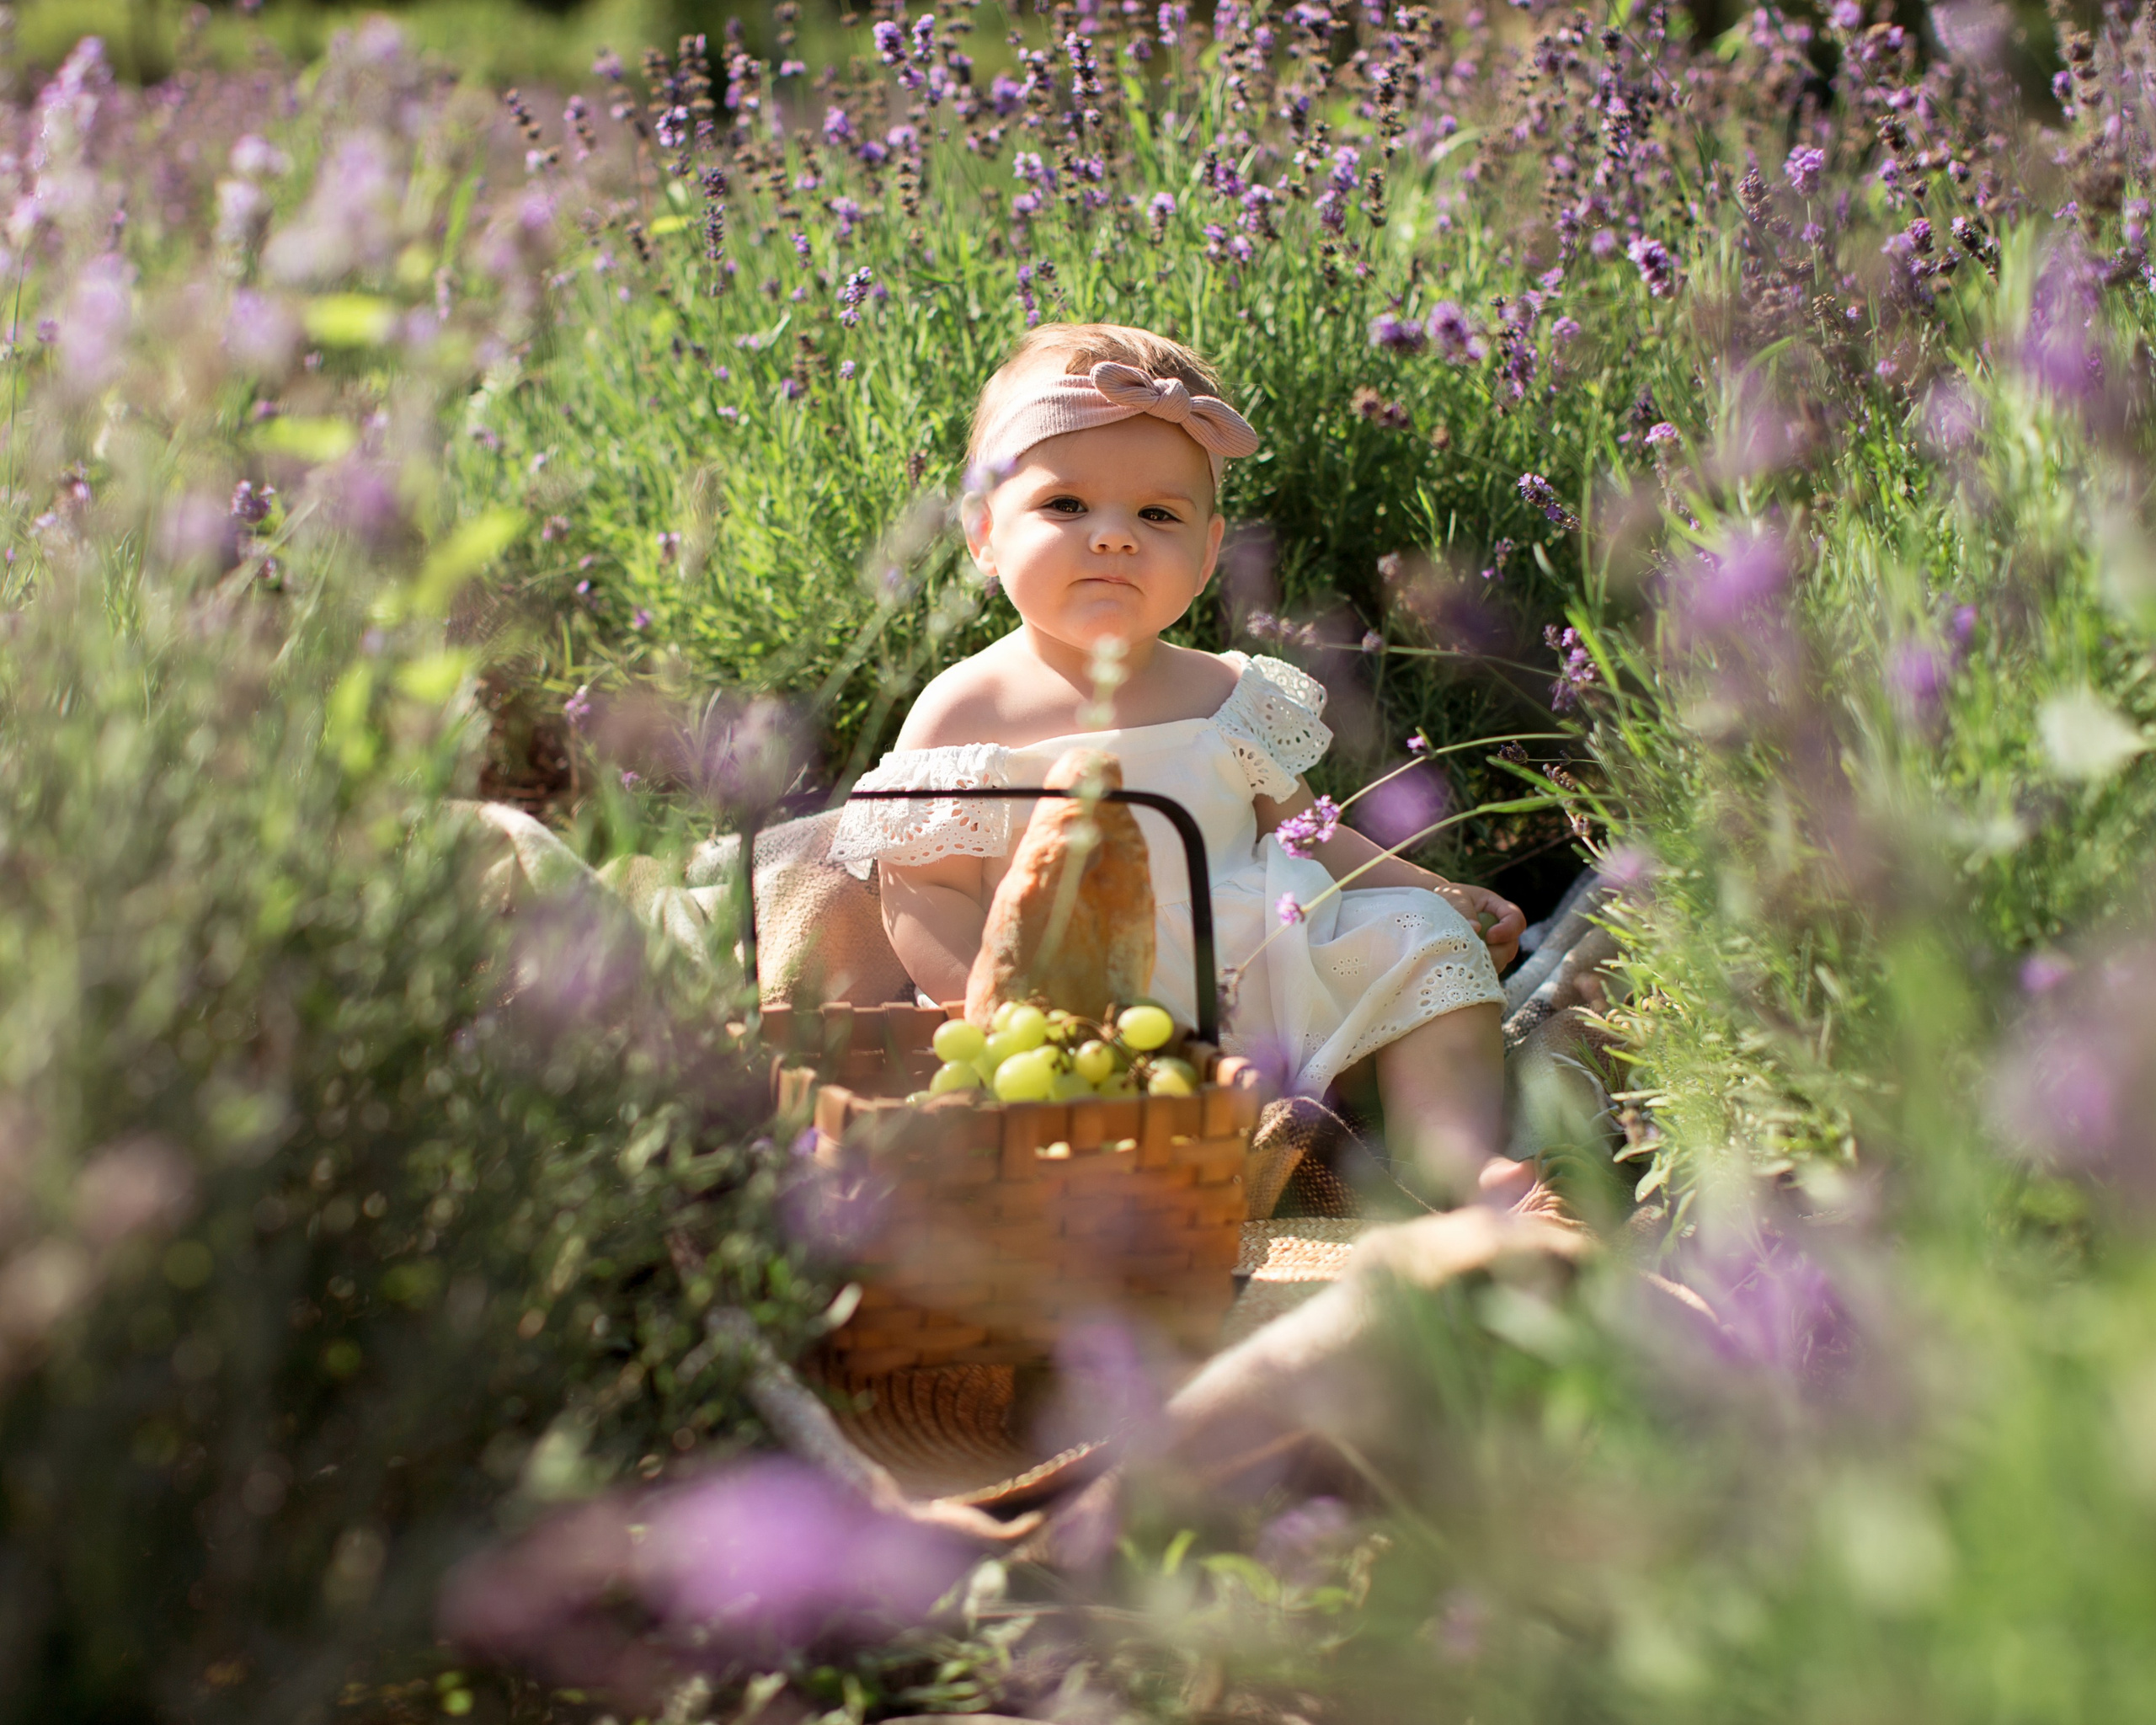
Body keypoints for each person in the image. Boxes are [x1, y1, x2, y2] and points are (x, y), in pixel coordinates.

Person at [830, 323, 1528, 1201]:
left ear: (1205, 554)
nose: (1114, 538)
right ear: (983, 532)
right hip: (1086, 1001)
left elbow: (1312, 836)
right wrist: (994, 1007)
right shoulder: (966, 709)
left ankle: (1460, 1164)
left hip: (1272, 968)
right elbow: (925, 890)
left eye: (1157, 515)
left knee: (1427, 945)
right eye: (1066, 506)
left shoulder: (1228, 692)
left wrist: (1437, 890)